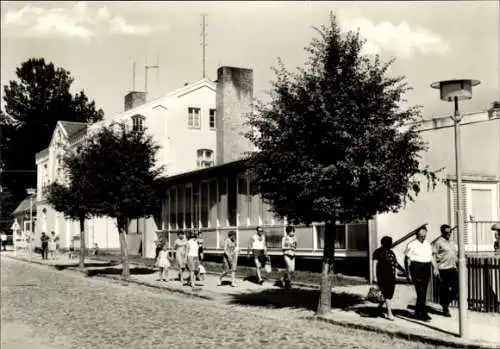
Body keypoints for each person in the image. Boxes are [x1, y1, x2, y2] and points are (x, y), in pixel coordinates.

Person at [404, 226, 438, 321]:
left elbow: (431, 257)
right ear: (417, 235)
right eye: (421, 235)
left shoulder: (427, 244)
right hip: (416, 268)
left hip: (426, 268)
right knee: (421, 292)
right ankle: (423, 313)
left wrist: (435, 267)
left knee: (423, 292)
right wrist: (408, 273)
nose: (423, 237)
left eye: (424, 235)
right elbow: (407, 259)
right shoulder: (411, 244)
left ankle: (417, 312)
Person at [373, 236, 404, 321]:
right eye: (389, 242)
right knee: (387, 295)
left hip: (391, 277)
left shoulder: (391, 252)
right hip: (382, 276)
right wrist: (374, 277)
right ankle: (389, 313)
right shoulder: (378, 252)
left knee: (388, 294)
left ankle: (379, 309)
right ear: (384, 243)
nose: (390, 244)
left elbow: (396, 264)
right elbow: (374, 264)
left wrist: (404, 271)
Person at [432, 224, 458, 317]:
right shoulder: (438, 242)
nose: (448, 234)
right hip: (443, 269)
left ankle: (444, 302)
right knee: (445, 290)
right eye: (446, 232)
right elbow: (433, 255)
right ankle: (445, 308)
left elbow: (455, 254)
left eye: (450, 232)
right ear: (442, 232)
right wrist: (435, 268)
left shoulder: (452, 242)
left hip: (453, 268)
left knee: (456, 289)